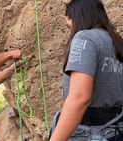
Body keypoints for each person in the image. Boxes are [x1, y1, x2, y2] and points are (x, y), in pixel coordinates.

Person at [49, 0, 123, 141]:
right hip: (115, 131)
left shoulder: (85, 38)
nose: (71, 31)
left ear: (79, 19)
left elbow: (80, 97)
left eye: (70, 26)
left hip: (89, 134)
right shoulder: (116, 43)